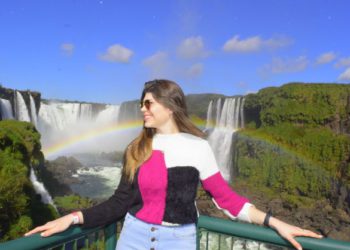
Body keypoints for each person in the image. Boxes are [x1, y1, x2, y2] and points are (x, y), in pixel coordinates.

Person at [25, 79, 323, 250]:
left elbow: (227, 201)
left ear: (170, 107)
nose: (142, 109)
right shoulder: (136, 148)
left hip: (178, 242)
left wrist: (276, 223)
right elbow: (119, 203)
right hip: (133, 238)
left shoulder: (198, 147)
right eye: (142, 103)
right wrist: (73, 218)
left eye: (148, 103)